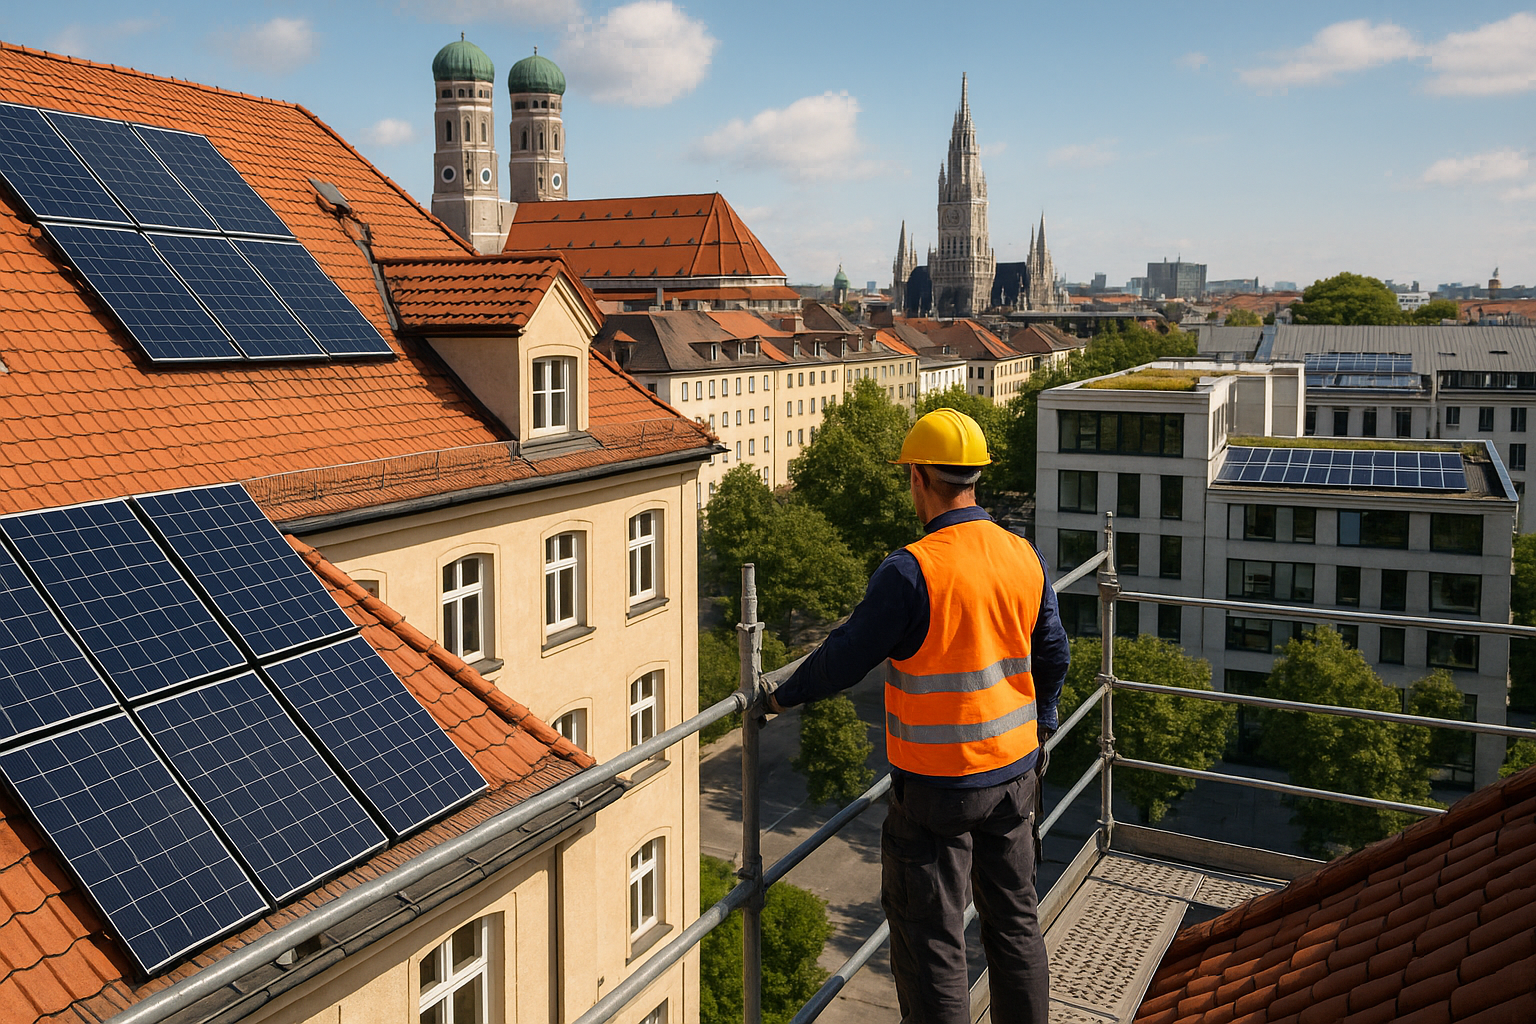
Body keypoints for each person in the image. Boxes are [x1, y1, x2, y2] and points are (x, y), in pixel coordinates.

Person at [766, 408, 1067, 1024]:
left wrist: (778, 698)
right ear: (975, 479)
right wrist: (1044, 723)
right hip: (1015, 774)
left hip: (937, 790)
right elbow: (1055, 653)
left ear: (919, 478)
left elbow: (846, 659)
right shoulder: (1022, 554)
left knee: (933, 941)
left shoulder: (912, 569)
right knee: (1015, 923)